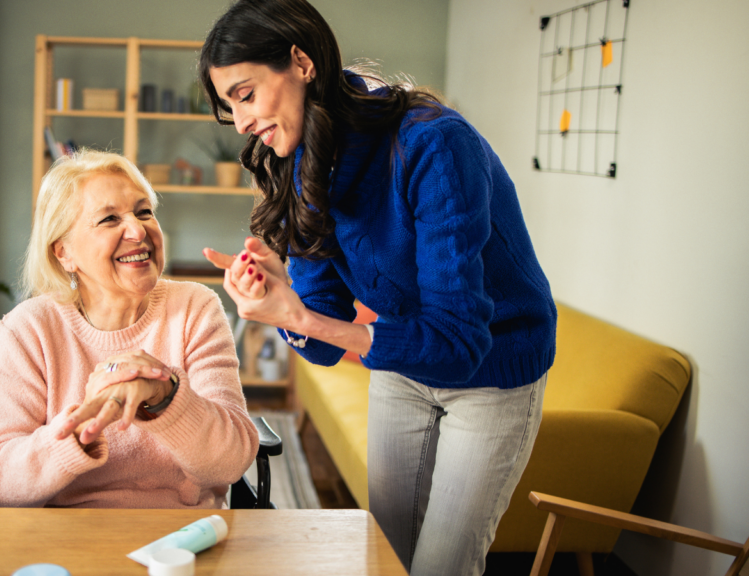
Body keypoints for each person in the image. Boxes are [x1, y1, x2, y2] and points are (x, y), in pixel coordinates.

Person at [198, 1, 556, 574]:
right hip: (402, 362)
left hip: (492, 367)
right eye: (229, 107)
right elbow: (324, 338)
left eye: (245, 94)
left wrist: (307, 320)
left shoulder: (434, 145)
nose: (240, 124)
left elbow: (459, 345)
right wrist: (284, 306)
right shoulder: (297, 158)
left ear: (301, 61)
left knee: (441, 566)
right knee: (383, 555)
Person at [0, 150, 258, 509]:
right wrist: (73, 434)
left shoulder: (195, 308)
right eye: (109, 219)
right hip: (67, 540)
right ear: (64, 253)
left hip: (182, 539)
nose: (139, 230)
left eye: (144, 212)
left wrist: (165, 397)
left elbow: (230, 463)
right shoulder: (26, 332)